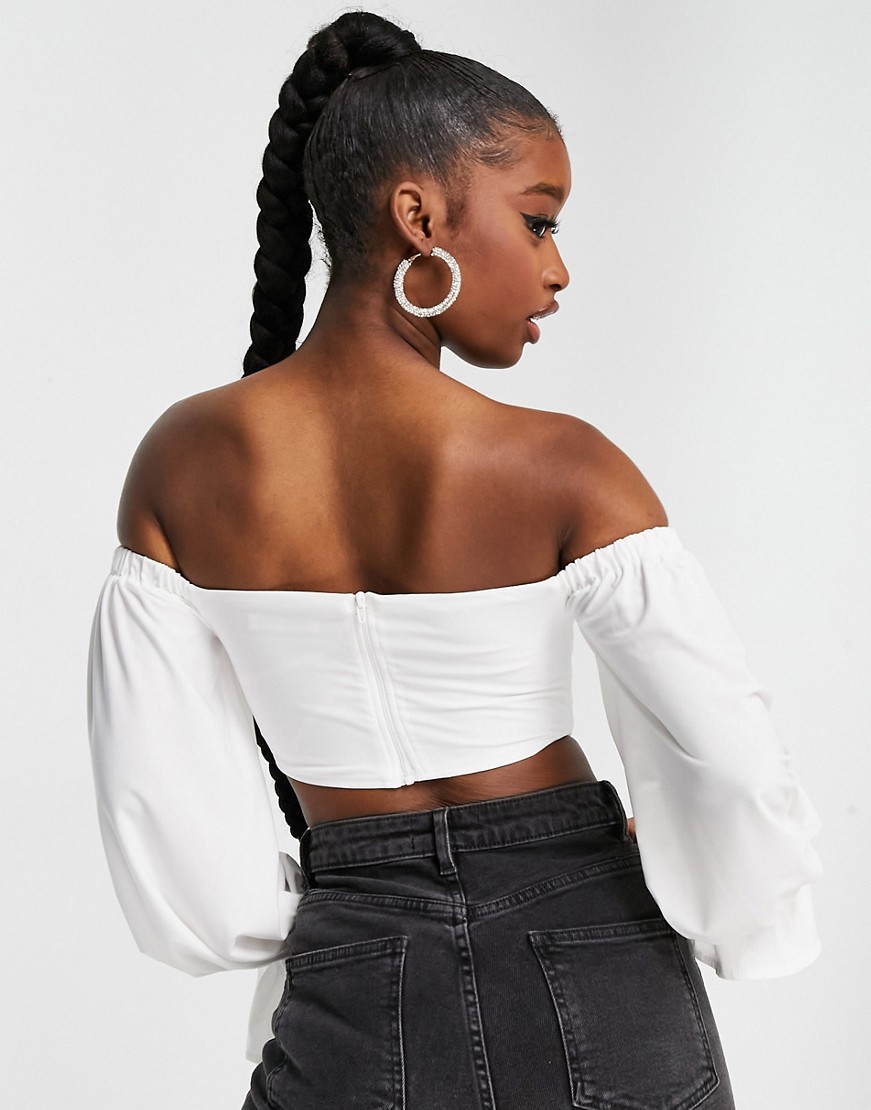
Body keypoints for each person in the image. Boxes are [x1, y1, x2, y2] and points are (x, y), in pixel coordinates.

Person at [87, 12, 823, 1109]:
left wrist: (317, 918)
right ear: (419, 216)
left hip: (350, 961)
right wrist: (738, 908)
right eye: (537, 221)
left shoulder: (183, 462)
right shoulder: (561, 466)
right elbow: (725, 758)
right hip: (592, 943)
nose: (557, 269)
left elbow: (160, 801)